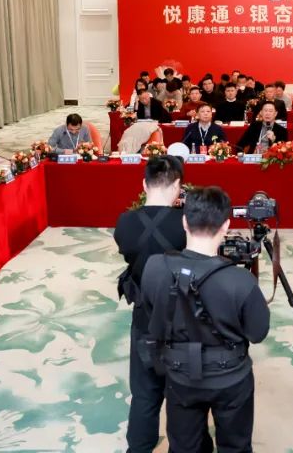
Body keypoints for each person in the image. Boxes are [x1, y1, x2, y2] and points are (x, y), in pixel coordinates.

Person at [140, 186, 270, 452]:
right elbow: (258, 333)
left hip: (179, 374)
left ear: (184, 222)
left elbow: (153, 312)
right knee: (236, 446)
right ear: (226, 226)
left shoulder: (154, 267)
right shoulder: (241, 281)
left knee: (184, 446)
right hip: (231, 376)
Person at [114, 155, 190, 452]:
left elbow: (128, 252)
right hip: (183, 316)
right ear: (178, 185)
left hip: (144, 315)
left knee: (144, 393)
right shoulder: (187, 223)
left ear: (144, 184)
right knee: (183, 395)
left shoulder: (125, 222)